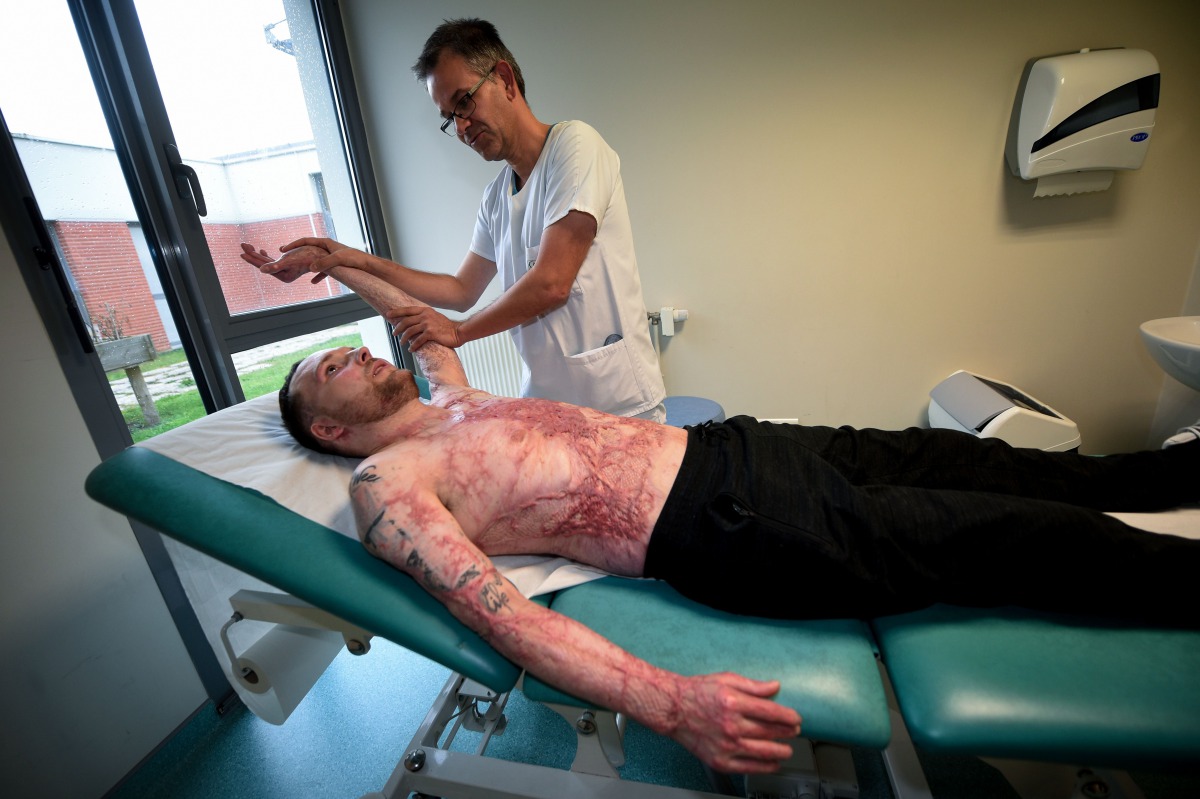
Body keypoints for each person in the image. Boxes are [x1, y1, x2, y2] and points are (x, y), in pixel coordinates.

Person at [256, 244, 1200, 775]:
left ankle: (1170, 481)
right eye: (330, 371)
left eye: (349, 348)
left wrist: (330, 261)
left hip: (741, 445)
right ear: (329, 433)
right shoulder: (388, 487)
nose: (357, 356)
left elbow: (418, 322)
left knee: (980, 462)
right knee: (1017, 536)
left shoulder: (448, 396)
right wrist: (673, 702)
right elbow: (505, 621)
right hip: (728, 524)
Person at [246, 17, 666, 422]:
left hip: (618, 401)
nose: (462, 127)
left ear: (504, 78)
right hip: (548, 403)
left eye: (464, 102)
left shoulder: (575, 146)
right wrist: (349, 259)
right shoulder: (496, 198)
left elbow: (552, 283)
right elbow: (460, 289)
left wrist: (459, 332)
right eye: (450, 117)